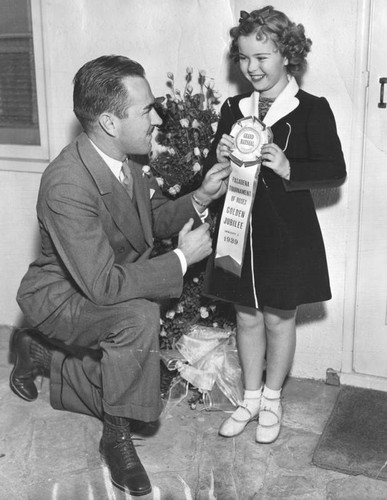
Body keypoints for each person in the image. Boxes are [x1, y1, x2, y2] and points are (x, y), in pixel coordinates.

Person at [11, 55, 231, 497]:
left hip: (101, 283)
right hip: (62, 295)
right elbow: (103, 286)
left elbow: (150, 219)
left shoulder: (123, 162)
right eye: (146, 109)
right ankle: (116, 440)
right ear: (110, 122)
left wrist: (201, 197)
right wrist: (182, 261)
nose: (157, 118)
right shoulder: (66, 183)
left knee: (139, 376)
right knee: (139, 319)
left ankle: (42, 356)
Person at [203, 6, 346, 444]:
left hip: (288, 236)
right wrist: (220, 160)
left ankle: (272, 400)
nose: (252, 68)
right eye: (244, 58)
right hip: (238, 234)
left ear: (287, 54)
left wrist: (289, 167)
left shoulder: (311, 109)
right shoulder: (233, 107)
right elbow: (212, 170)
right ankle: (248, 398)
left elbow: (335, 170)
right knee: (246, 316)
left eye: (262, 57)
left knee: (279, 320)